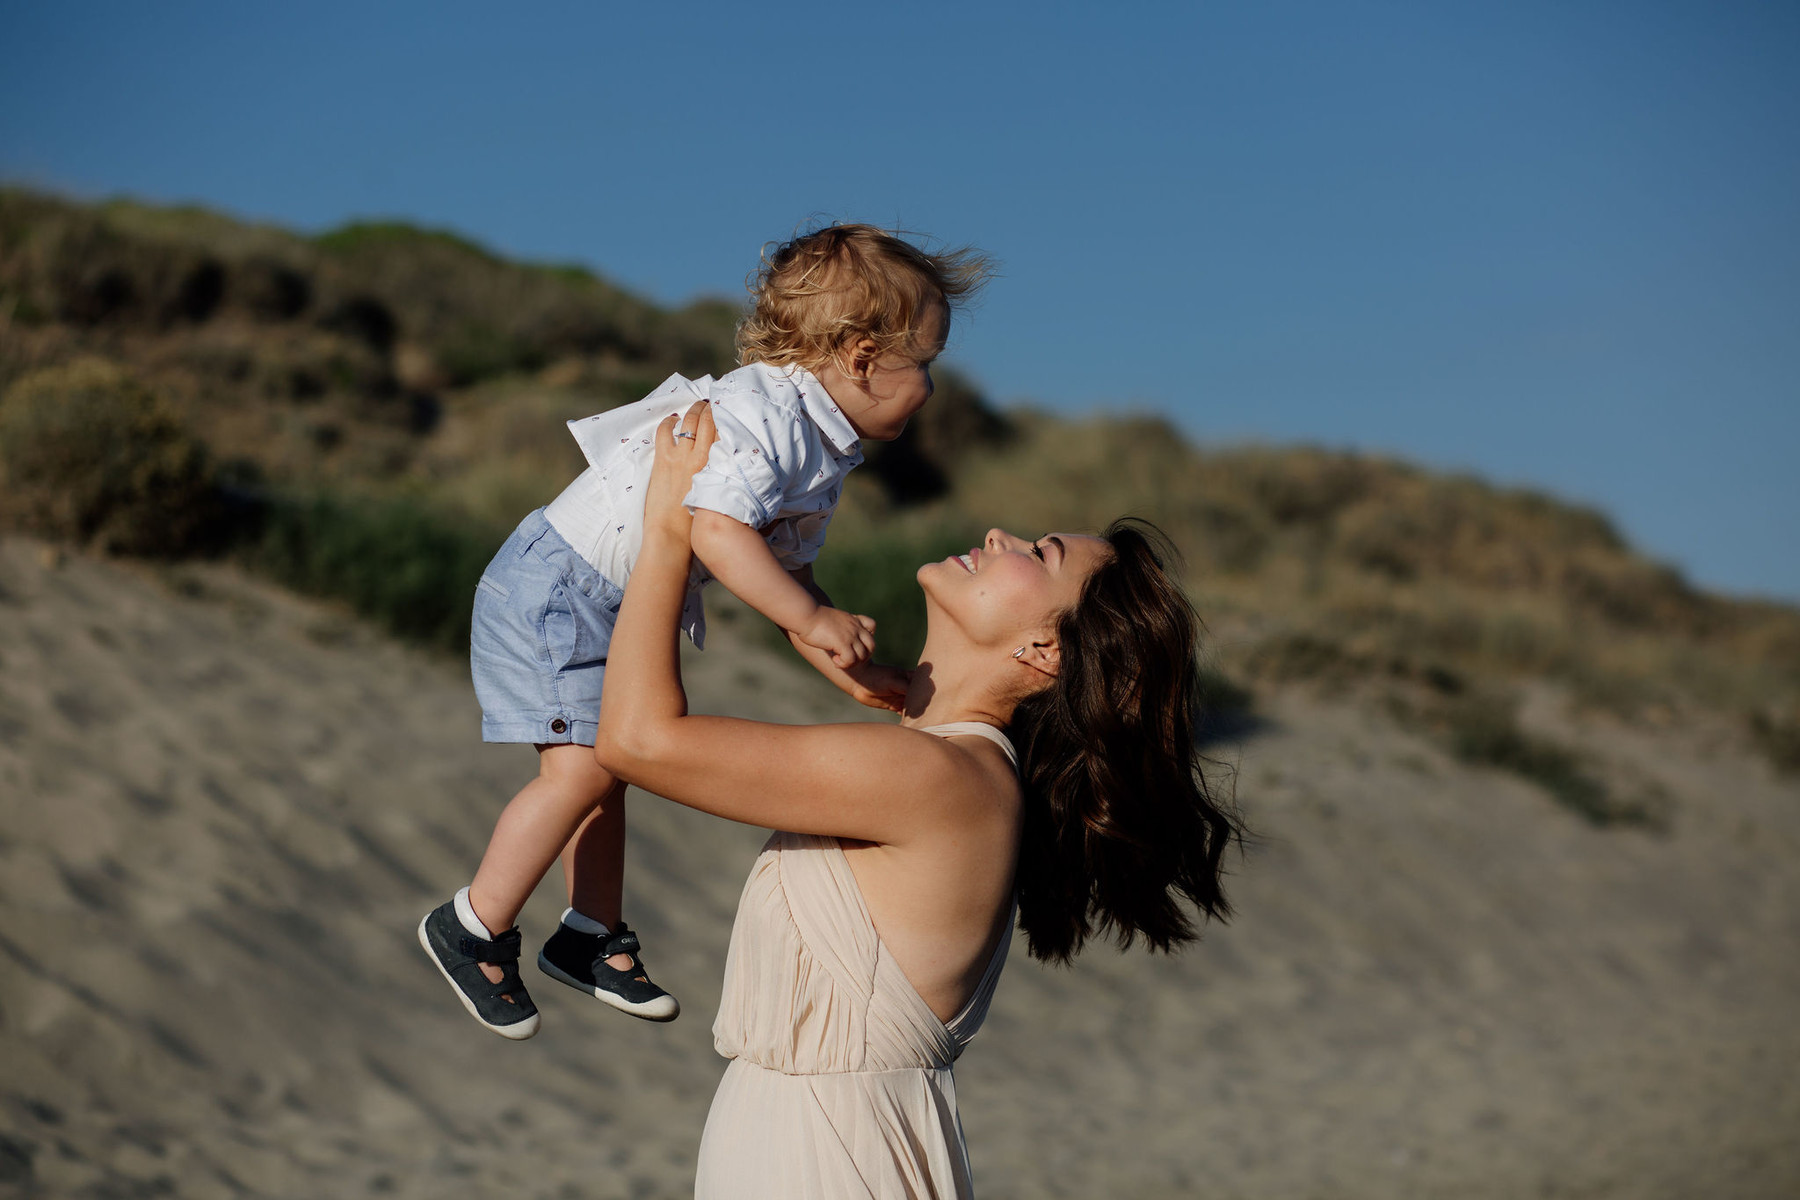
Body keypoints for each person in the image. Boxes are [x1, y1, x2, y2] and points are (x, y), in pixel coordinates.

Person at [593, 401, 1241, 1199]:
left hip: (825, 1156)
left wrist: (667, 527)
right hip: (805, 1142)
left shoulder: (937, 780)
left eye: (1038, 554)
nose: (1002, 536)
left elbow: (636, 741)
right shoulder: (946, 769)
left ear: (1043, 648)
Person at [419, 226, 992, 1038]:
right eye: (924, 363)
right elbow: (719, 530)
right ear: (862, 358)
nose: (930, 386)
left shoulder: (821, 448)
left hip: (605, 597)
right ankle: (471, 925)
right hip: (557, 587)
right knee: (582, 774)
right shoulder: (765, 416)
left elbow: (785, 572)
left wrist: (840, 662)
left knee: (606, 765)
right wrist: (811, 618)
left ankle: (589, 934)